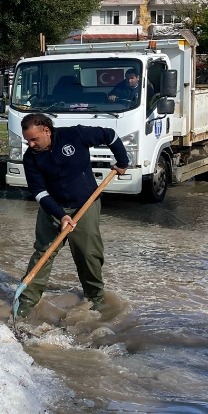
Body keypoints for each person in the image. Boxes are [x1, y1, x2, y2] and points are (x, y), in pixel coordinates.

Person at [16, 113, 130, 317]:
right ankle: (26, 301)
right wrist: (60, 215)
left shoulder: (75, 135)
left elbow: (110, 135)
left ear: (46, 131)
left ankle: (95, 298)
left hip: (85, 205)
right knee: (43, 253)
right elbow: (39, 192)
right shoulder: (30, 158)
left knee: (89, 254)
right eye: (27, 140)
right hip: (53, 209)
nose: (30, 144)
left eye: (34, 139)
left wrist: (122, 160)